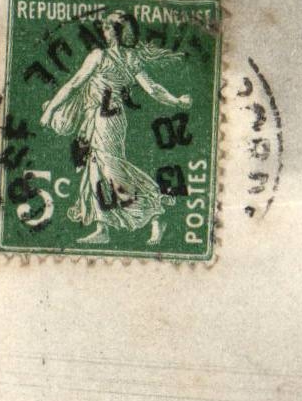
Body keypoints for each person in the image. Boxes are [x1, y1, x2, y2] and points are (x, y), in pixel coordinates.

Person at [38, 14, 191, 246]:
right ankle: (104, 227)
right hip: (109, 120)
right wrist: (176, 100)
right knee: (96, 170)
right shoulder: (131, 58)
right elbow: (154, 89)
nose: (105, 32)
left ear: (112, 31)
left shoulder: (99, 56)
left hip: (105, 121)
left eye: (107, 28)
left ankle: (155, 213)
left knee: (110, 171)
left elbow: (73, 85)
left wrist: (50, 111)